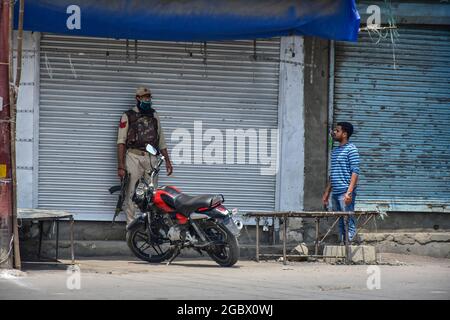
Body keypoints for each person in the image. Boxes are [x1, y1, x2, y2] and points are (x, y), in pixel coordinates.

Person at [117, 86, 173, 225]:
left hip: (151, 158)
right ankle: (131, 227)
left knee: (151, 194)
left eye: (148, 97)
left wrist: (167, 161)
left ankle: (149, 227)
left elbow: (161, 140)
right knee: (131, 192)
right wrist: (121, 166)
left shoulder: (154, 115)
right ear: (137, 99)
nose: (147, 100)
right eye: (144, 98)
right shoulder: (128, 115)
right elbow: (121, 142)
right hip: (133, 157)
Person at [322, 122, 360, 243]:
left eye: (337, 131)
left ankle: (350, 245)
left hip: (345, 192)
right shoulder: (335, 151)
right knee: (340, 221)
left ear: (344, 134)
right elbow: (333, 174)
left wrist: (349, 192)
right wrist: (327, 193)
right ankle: (343, 245)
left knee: (348, 220)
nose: (334, 132)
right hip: (336, 192)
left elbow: (355, 172)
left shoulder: (351, 149)